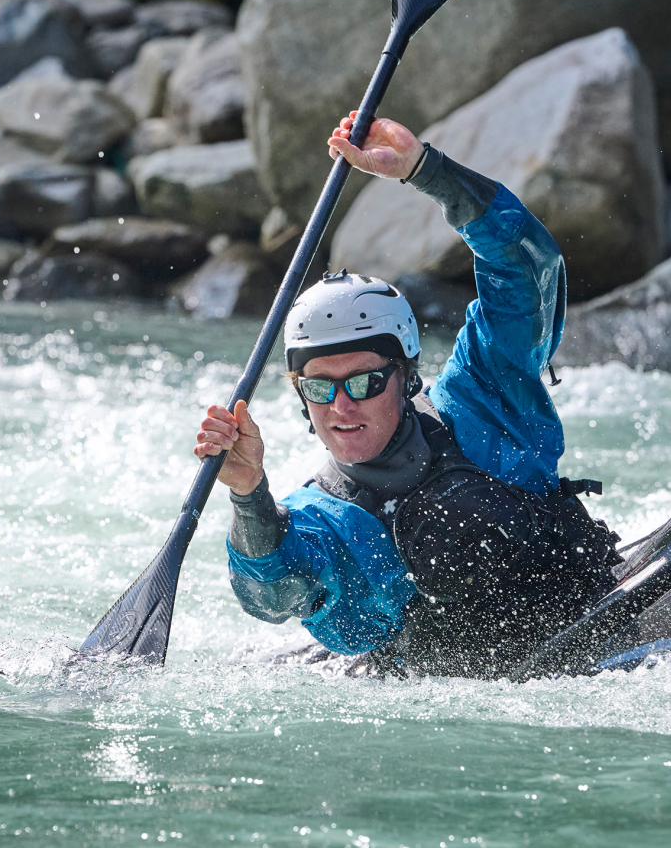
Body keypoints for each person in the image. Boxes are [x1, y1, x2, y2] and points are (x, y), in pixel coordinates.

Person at [193, 112, 619, 678]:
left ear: (406, 376)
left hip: (591, 614)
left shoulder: (481, 401)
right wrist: (248, 494)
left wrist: (427, 171)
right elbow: (272, 595)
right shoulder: (324, 518)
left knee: (456, 509)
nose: (342, 407)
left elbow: (526, 268)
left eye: (364, 382)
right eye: (319, 387)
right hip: (453, 695)